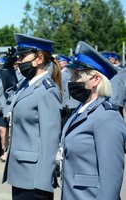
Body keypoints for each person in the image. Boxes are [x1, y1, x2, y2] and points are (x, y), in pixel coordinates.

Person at [60, 41, 126, 200]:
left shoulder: (107, 117)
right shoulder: (80, 110)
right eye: (71, 74)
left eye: (76, 75)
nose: (71, 80)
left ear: (96, 79)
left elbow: (111, 179)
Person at [0, 33, 62, 200]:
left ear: (39, 58)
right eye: (18, 56)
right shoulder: (26, 84)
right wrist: (6, 70)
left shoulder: (47, 91)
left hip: (34, 179)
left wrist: (43, 183)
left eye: (23, 56)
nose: (20, 61)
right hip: (20, 174)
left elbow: (50, 141)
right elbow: (11, 96)